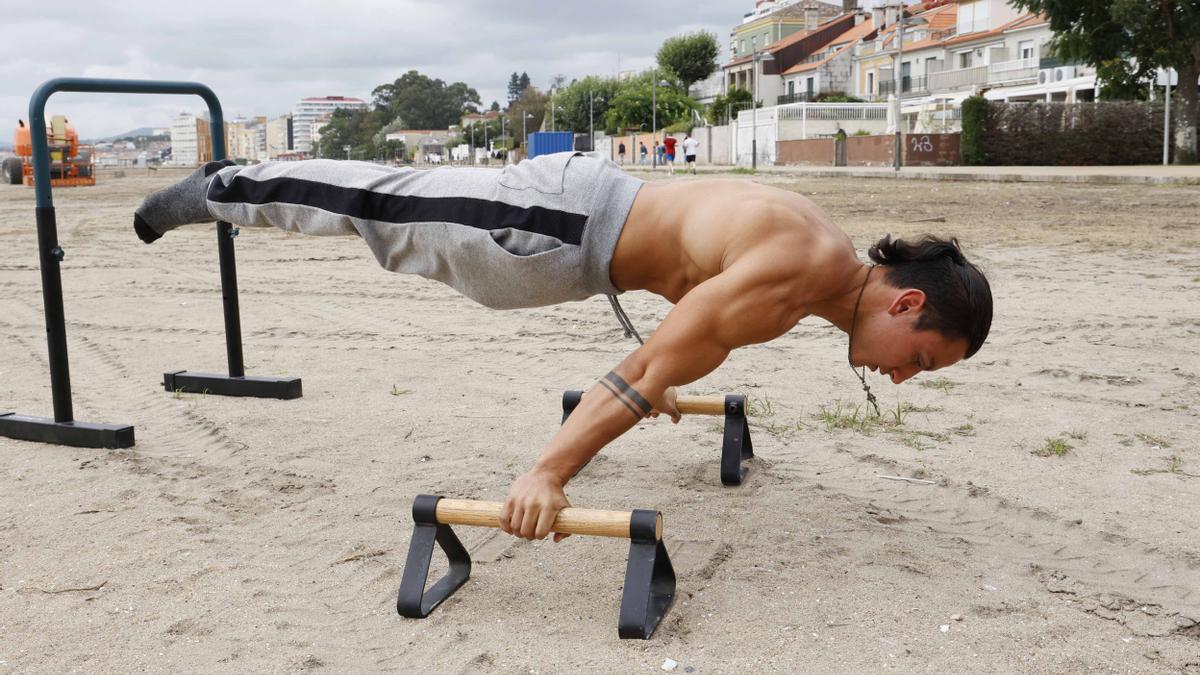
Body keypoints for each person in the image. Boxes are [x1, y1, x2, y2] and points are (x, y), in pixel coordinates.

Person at [134, 153, 992, 542]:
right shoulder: (798, 271)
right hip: (555, 225)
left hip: (570, 239)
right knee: (380, 204)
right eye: (920, 356)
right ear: (907, 300)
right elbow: (652, 364)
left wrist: (673, 372)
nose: (902, 374)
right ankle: (224, 185)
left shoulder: (817, 266)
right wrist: (548, 471)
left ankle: (235, 187)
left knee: (391, 222)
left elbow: (699, 332)